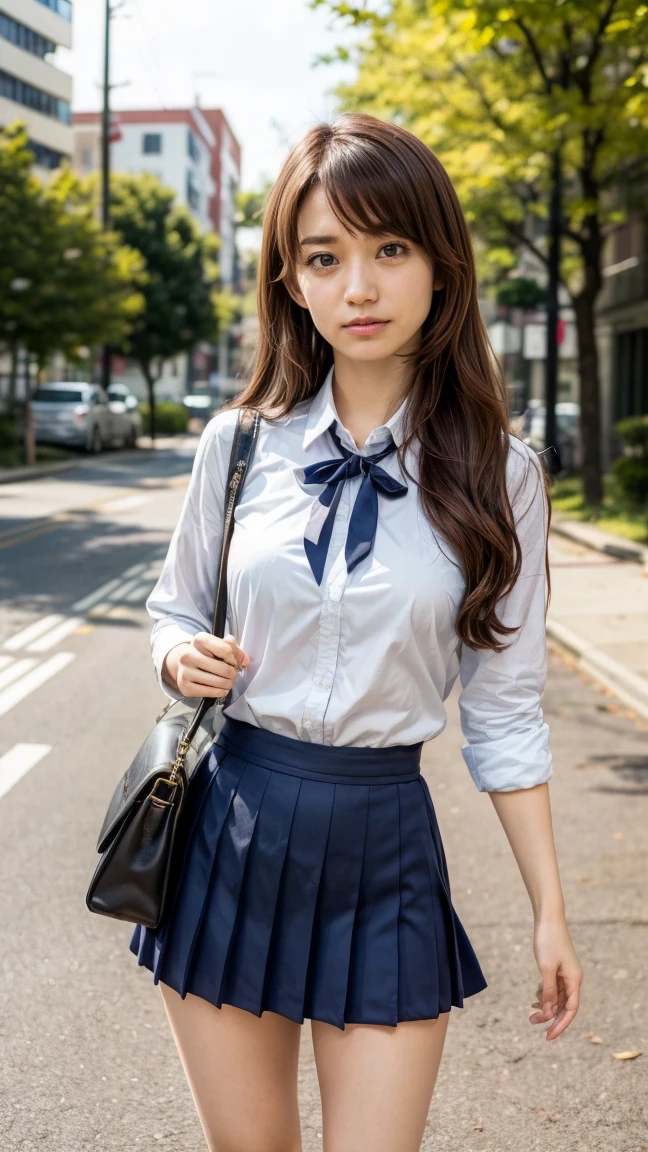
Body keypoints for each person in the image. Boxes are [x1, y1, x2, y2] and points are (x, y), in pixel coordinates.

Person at [129, 112, 583, 1152]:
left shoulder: (503, 474)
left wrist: (549, 910)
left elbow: (506, 710)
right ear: (291, 279)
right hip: (230, 834)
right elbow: (172, 607)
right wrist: (176, 654)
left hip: (385, 848)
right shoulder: (237, 447)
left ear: (440, 264)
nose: (361, 289)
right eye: (324, 258)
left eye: (390, 250)